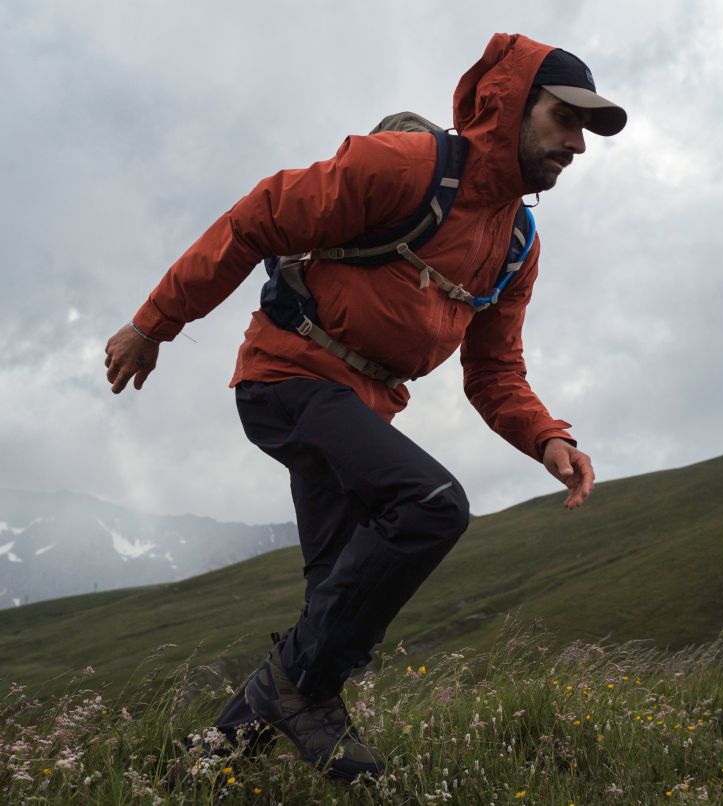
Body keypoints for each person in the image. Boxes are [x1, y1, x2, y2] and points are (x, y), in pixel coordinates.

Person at [104, 33, 626, 781]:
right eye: (563, 119)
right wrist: (154, 324)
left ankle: (195, 777)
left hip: (361, 411)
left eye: (588, 131)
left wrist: (546, 439)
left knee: (330, 609)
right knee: (432, 505)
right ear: (508, 104)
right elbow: (257, 216)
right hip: (286, 380)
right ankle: (295, 695)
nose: (577, 143)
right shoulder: (403, 167)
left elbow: (494, 369)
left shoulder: (516, 240)